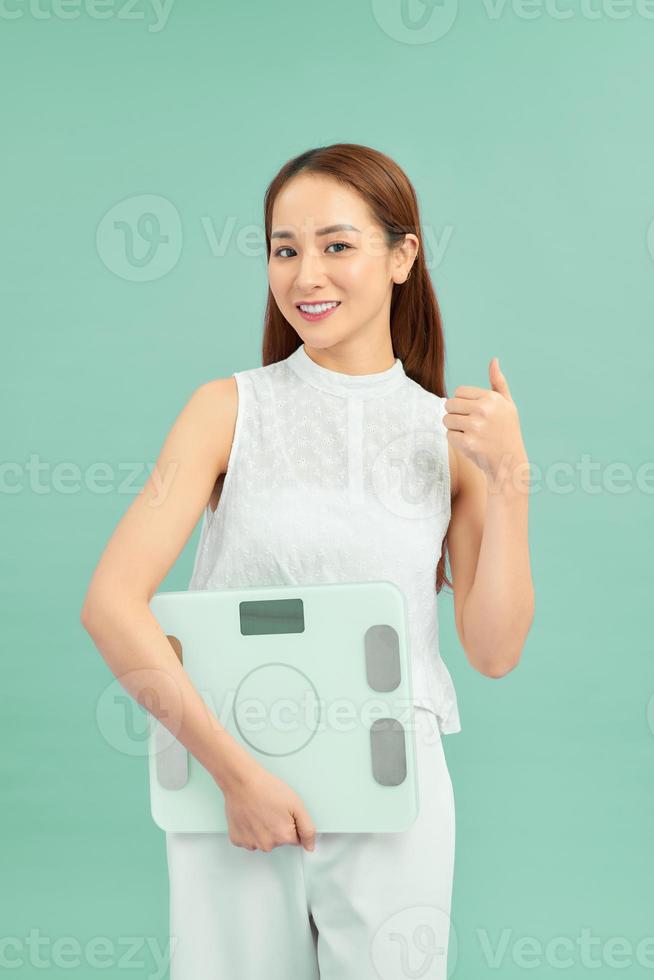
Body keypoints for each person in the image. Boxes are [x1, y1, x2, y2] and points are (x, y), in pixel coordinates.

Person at [80, 142, 535, 979]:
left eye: (336, 246)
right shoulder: (226, 410)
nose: (305, 276)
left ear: (403, 256)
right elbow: (110, 603)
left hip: (393, 781)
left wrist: (508, 484)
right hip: (232, 771)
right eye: (285, 250)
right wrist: (234, 778)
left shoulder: (450, 437)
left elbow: (495, 652)